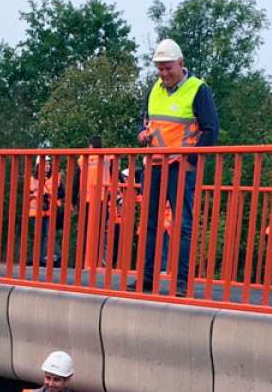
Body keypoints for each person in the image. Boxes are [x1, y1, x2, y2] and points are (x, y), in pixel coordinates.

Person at [130, 39, 219, 296]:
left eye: (168, 68)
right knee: (149, 223)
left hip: (181, 167)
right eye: (159, 69)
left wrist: (190, 159)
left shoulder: (198, 89)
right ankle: (147, 279)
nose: (164, 73)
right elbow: (144, 122)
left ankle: (180, 282)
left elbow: (211, 130)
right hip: (155, 165)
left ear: (181, 64)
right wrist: (141, 134)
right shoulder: (154, 90)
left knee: (182, 225)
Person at [76, 136, 115, 270]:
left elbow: (76, 180)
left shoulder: (83, 158)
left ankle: (83, 262)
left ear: (91, 146)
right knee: (101, 232)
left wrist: (73, 200)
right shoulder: (107, 158)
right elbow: (115, 176)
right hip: (102, 199)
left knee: (85, 231)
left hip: (86, 199)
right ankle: (98, 263)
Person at [27, 155, 64, 269]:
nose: (47, 166)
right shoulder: (33, 179)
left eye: (48, 164)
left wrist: (49, 197)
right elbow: (29, 194)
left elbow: (62, 193)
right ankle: (39, 258)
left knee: (48, 234)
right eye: (45, 164)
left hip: (50, 211)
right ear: (38, 166)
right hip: (36, 211)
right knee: (39, 235)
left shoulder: (55, 178)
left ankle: (51, 257)